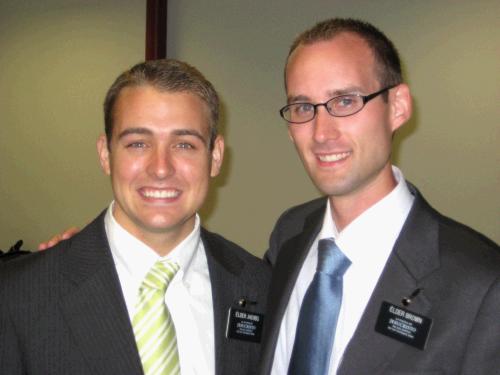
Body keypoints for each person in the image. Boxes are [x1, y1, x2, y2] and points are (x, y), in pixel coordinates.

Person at [258, 18, 500, 375]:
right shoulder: (288, 236)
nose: (322, 133)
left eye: (344, 101)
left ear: (398, 106)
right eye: (303, 108)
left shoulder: (480, 287)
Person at [0, 59, 270, 375]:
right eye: (138, 143)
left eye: (184, 144)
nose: (160, 168)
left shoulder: (264, 289)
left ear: (215, 156)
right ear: (105, 154)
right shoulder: (17, 297)